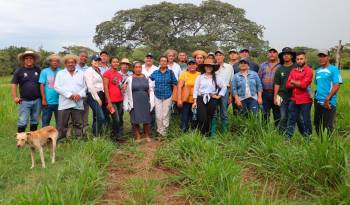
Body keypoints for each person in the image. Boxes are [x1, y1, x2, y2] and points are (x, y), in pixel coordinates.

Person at [54, 54, 86, 140]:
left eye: (73, 62)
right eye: (68, 62)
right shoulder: (60, 73)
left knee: (78, 123)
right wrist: (69, 95)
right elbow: (56, 87)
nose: (71, 64)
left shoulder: (81, 74)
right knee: (62, 124)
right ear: (65, 64)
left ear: (76, 63)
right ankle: (61, 140)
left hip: (77, 103)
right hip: (65, 103)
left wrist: (80, 94)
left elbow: (85, 87)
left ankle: (79, 140)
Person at [192, 58, 227, 137]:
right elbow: (195, 89)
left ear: (213, 68)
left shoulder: (216, 77)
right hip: (201, 98)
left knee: (210, 117)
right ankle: (202, 134)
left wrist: (218, 96)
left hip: (212, 99)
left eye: (210, 66)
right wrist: (194, 101)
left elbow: (224, 86)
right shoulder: (200, 77)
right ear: (204, 67)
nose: (208, 68)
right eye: (207, 66)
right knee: (202, 117)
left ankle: (208, 135)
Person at [124, 62, 154, 143]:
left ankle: (147, 135)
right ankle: (138, 136)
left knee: (146, 118)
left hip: (145, 100)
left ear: (142, 68)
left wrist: (151, 100)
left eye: (140, 67)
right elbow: (126, 92)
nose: (138, 69)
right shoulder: (129, 78)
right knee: (134, 119)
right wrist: (126, 103)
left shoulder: (146, 77)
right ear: (133, 69)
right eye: (136, 67)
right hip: (134, 100)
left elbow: (150, 90)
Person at [11, 50, 41, 132]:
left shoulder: (38, 70)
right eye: (27, 58)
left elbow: (42, 83)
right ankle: (20, 139)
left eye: (31, 58)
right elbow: (14, 84)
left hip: (37, 100)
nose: (29, 60)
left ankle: (33, 138)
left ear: (34, 60)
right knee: (22, 120)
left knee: (35, 120)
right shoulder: (19, 71)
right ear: (23, 60)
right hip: (24, 101)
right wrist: (15, 97)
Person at [314, 50, 343, 135]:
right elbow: (318, 85)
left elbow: (337, 85)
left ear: (328, 57)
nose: (321, 58)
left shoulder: (334, 69)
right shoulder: (318, 70)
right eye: (320, 56)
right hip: (318, 101)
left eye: (324, 56)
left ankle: (329, 145)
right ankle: (321, 143)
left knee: (327, 126)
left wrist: (328, 98)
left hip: (328, 102)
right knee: (317, 124)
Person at [286, 52, 313, 139]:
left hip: (305, 100)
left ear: (305, 59)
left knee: (306, 120)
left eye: (301, 59)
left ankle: (308, 138)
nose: (299, 61)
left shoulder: (309, 70)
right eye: (298, 59)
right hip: (294, 99)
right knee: (291, 119)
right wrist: (299, 83)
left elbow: (304, 85)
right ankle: (288, 138)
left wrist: (293, 82)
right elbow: (287, 85)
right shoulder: (293, 70)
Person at [150, 56, 178, 137]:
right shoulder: (155, 72)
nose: (163, 62)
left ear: (167, 63)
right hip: (157, 95)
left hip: (168, 95)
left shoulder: (170, 72)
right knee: (158, 115)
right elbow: (149, 81)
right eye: (161, 61)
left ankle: (164, 133)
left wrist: (174, 96)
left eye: (165, 61)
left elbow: (175, 83)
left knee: (165, 114)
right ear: (159, 62)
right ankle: (159, 131)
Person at [274, 47, 296, 135]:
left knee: (292, 116)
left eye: (288, 54)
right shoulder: (279, 69)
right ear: (282, 56)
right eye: (284, 54)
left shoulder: (296, 67)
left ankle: (289, 135)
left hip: (294, 96)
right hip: (282, 96)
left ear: (291, 56)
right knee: (283, 116)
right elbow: (277, 84)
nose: (286, 56)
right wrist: (275, 97)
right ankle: (281, 133)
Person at [84, 54, 108, 136]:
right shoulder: (89, 71)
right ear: (91, 62)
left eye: (98, 60)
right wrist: (97, 98)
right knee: (101, 117)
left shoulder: (98, 70)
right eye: (95, 60)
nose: (97, 62)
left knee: (96, 116)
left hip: (101, 94)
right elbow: (90, 86)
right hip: (93, 96)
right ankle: (95, 135)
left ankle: (96, 134)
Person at [103, 57, 124, 141]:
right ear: (111, 63)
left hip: (120, 100)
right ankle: (115, 136)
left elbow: (119, 87)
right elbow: (105, 88)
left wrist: (123, 87)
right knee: (116, 119)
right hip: (112, 101)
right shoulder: (107, 73)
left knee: (119, 119)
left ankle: (116, 135)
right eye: (114, 62)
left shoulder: (119, 75)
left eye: (117, 62)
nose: (115, 63)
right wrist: (109, 102)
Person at [176, 58, 200, 132]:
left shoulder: (199, 74)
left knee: (195, 117)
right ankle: (183, 132)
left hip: (196, 100)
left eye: (193, 64)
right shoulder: (184, 74)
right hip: (186, 100)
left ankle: (194, 132)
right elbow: (179, 87)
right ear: (187, 65)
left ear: (196, 65)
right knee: (185, 117)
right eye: (190, 64)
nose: (192, 65)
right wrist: (179, 99)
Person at [213, 49, 233, 134]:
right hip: (214, 91)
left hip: (225, 92)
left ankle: (224, 132)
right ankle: (213, 132)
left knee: (224, 111)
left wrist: (231, 95)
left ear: (223, 56)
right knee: (213, 112)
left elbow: (231, 81)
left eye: (220, 55)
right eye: (217, 55)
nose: (218, 57)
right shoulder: (213, 66)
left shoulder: (229, 67)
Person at [259, 48, 281, 126]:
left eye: (274, 52)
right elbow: (259, 79)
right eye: (270, 52)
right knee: (265, 113)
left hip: (278, 94)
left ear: (277, 54)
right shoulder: (262, 65)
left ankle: (279, 132)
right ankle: (265, 130)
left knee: (278, 113)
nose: (272, 54)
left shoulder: (281, 65)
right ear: (267, 54)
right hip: (265, 93)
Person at [39, 54, 61, 128]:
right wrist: (43, 99)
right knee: (45, 122)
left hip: (60, 102)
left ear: (59, 63)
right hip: (47, 102)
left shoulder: (61, 72)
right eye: (53, 61)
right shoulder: (44, 71)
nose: (55, 62)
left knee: (60, 122)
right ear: (49, 62)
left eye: (57, 61)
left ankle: (58, 138)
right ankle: (44, 138)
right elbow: (42, 85)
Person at [75, 51, 89, 135]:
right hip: (74, 96)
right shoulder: (74, 67)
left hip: (84, 95)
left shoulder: (88, 69)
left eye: (85, 57)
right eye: (82, 56)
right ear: (78, 57)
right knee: (74, 115)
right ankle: (75, 133)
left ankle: (85, 133)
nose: (84, 58)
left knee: (85, 115)